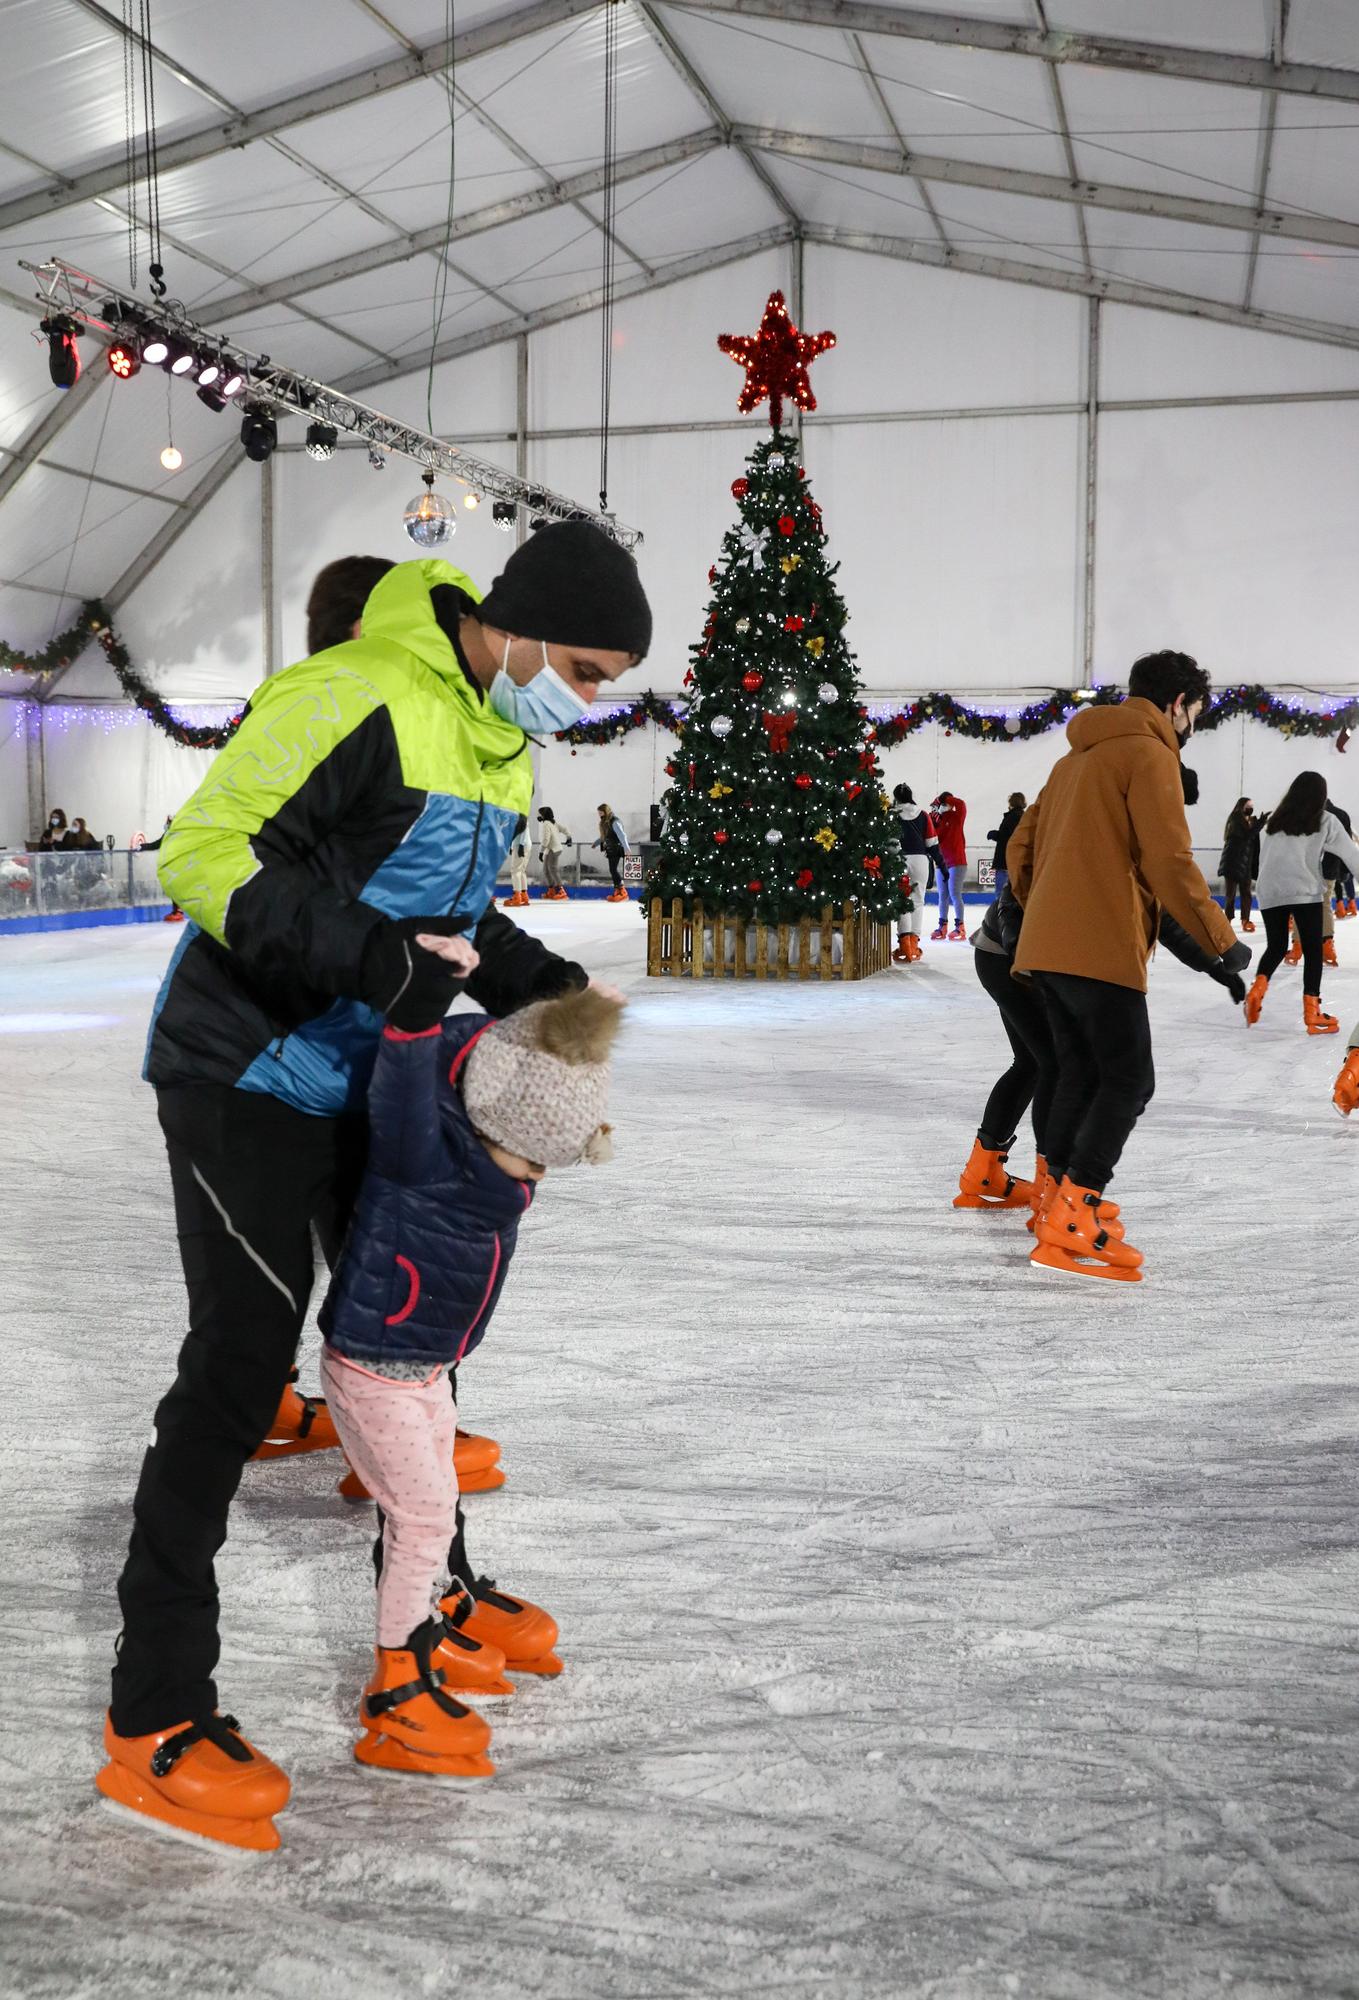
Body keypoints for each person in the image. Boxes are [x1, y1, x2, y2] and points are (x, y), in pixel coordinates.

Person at [98, 525, 653, 1854]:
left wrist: (543, 988)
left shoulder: (491, 732)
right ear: (513, 625)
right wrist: (382, 968)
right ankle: (152, 1709)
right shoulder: (352, 694)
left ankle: (433, 1601)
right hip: (242, 1074)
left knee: (404, 1344)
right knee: (238, 1371)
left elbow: (441, 916)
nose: (576, 705)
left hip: (360, 1073)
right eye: (575, 671)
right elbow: (207, 856)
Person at [318, 973, 622, 1786]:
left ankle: (425, 1630)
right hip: (374, 1367)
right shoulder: (423, 1157)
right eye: (530, 1158)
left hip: (425, 1368)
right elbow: (406, 1087)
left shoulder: (496, 1169)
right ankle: (395, 1687)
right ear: (491, 1123)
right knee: (420, 1516)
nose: (534, 1179)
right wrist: (415, 1011)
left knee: (429, 1509)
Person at [1006, 650, 1245, 1280]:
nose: (1193, 724)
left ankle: (1055, 1199)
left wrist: (1046, 915)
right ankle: (1075, 1215)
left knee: (1079, 1073)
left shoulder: (1070, 760)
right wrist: (1223, 940)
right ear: (1176, 704)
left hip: (1046, 948)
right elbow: (1169, 860)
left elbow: (1020, 849)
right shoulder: (1149, 754)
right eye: (1195, 711)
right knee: (1130, 1079)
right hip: (1099, 946)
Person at [957, 766, 1248, 1225]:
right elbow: (1018, 888)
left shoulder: (1131, 842)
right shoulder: (1086, 825)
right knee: (1056, 1063)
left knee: (1037, 1062)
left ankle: (987, 1172)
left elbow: (1163, 917)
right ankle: (1051, 1193)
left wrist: (1214, 964)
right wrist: (1027, 958)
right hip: (1011, 957)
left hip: (1031, 958)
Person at [1244, 772, 1359, 1034]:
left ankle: (1257, 990)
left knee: (1275, 946)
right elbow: (1351, 855)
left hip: (1269, 891)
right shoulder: (1325, 819)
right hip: (1303, 890)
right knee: (1313, 950)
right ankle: (1312, 1013)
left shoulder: (1275, 821)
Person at [890, 784, 940, 964]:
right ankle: (913, 944)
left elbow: (889, 840)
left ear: (895, 797)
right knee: (918, 901)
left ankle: (904, 945)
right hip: (920, 860)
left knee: (902, 901)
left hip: (899, 860)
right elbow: (932, 843)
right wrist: (941, 864)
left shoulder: (892, 814)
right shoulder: (923, 814)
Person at [929, 790, 967, 941]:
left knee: (955, 894)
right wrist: (937, 805)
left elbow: (961, 805)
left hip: (957, 862)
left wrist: (948, 799)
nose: (944, 806)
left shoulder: (957, 816)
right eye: (942, 804)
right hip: (942, 864)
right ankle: (942, 926)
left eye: (946, 804)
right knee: (942, 896)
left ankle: (960, 927)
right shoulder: (937, 820)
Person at [1219, 796, 1259, 932]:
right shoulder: (1235, 820)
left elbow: (1254, 845)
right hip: (1233, 862)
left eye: (1252, 806)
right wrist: (1258, 827)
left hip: (1246, 863)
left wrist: (1255, 865)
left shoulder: (1253, 822)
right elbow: (1245, 837)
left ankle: (1245, 920)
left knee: (1246, 892)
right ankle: (1228, 919)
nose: (1250, 808)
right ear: (1241, 806)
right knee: (1230, 893)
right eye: (1248, 805)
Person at [987, 792, 1026, 896]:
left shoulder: (1013, 817)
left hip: (1005, 861)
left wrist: (995, 835)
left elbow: (1007, 837)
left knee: (1001, 894)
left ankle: (1000, 912)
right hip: (1013, 861)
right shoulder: (1022, 816)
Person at [595, 801, 631, 903]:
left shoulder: (614, 821)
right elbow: (605, 836)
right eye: (599, 813)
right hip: (611, 849)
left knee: (613, 870)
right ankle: (617, 891)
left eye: (601, 813)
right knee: (612, 870)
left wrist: (627, 849)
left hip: (616, 849)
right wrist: (596, 843)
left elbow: (622, 835)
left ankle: (622, 892)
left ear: (606, 811)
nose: (600, 815)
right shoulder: (606, 822)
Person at [537, 805, 571, 901]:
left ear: (543, 815)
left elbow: (546, 839)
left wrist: (541, 852)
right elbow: (564, 829)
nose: (538, 816)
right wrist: (568, 837)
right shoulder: (552, 823)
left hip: (554, 849)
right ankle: (551, 890)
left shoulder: (547, 824)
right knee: (546, 870)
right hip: (551, 849)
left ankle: (561, 891)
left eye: (540, 814)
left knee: (552, 869)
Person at [502, 813, 532, 908]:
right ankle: (524, 895)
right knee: (522, 871)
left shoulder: (520, 817)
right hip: (525, 844)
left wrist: (521, 846)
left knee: (515, 870)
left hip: (520, 845)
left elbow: (522, 831)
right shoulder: (522, 816)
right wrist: (511, 846)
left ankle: (517, 896)